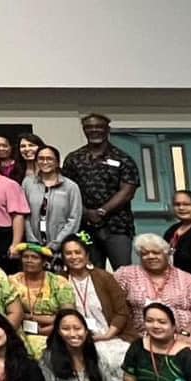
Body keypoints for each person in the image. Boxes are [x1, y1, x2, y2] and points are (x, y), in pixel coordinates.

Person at [62, 113, 140, 269]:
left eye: (99, 127)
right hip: (85, 225)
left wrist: (101, 211)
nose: (94, 130)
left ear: (107, 129)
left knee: (122, 272)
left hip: (117, 225)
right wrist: (85, 213)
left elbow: (127, 191)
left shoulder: (122, 158)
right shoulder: (73, 158)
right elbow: (67, 190)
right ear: (84, 130)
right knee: (91, 272)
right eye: (89, 127)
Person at [58, 236, 131, 381]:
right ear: (63, 257)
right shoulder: (59, 280)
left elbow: (122, 312)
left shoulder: (104, 277)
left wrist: (107, 335)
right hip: (74, 337)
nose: (74, 257)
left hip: (109, 335)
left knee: (117, 359)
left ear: (87, 255)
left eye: (78, 252)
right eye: (68, 253)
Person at [116, 233, 191, 337]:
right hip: (139, 338)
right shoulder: (125, 274)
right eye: (145, 254)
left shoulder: (189, 280)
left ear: (167, 254)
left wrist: (186, 333)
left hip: (181, 338)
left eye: (156, 253)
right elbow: (113, 305)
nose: (150, 256)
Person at [12, 243, 75, 358]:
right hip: (20, 331)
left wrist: (52, 326)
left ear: (44, 261)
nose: (29, 260)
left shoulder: (58, 282)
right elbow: (10, 313)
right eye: (26, 257)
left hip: (56, 330)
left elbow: (68, 314)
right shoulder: (11, 281)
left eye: (34, 257)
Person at [21, 146, 82, 253]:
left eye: (49, 159)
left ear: (57, 162)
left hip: (61, 246)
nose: (45, 162)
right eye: (41, 158)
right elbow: (24, 214)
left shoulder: (71, 187)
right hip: (33, 245)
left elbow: (74, 219)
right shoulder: (28, 183)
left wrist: (57, 243)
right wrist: (32, 240)